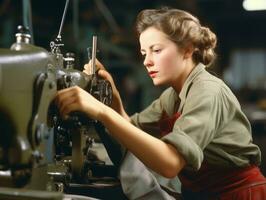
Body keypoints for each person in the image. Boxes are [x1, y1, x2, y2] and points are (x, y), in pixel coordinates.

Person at [55, 7, 266, 200]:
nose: (147, 61)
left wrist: (101, 111)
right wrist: (114, 100)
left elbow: (170, 164)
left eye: (156, 50)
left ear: (187, 49)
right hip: (206, 194)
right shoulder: (172, 96)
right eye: (144, 53)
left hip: (241, 194)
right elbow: (131, 129)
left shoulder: (208, 92)